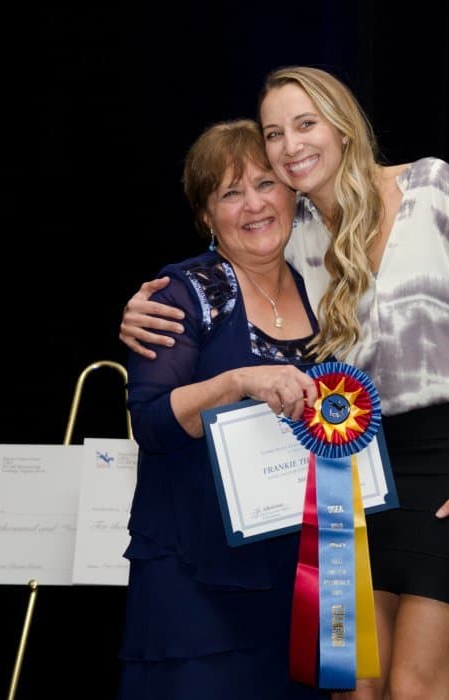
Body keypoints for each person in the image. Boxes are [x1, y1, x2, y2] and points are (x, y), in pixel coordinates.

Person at [119, 66, 449, 700]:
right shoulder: (296, 232)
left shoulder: (433, 187)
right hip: (351, 476)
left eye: (305, 123)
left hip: (447, 462)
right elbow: (231, 268)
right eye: (275, 133)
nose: (291, 145)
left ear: (342, 126)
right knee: (354, 686)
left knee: (416, 686)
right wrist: (138, 309)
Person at [116, 117, 330, 699]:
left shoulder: (324, 290)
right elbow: (151, 422)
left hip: (303, 574)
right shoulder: (183, 292)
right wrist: (236, 381)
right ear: (207, 215)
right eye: (231, 193)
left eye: (266, 184)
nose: (254, 205)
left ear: (292, 193)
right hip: (196, 573)